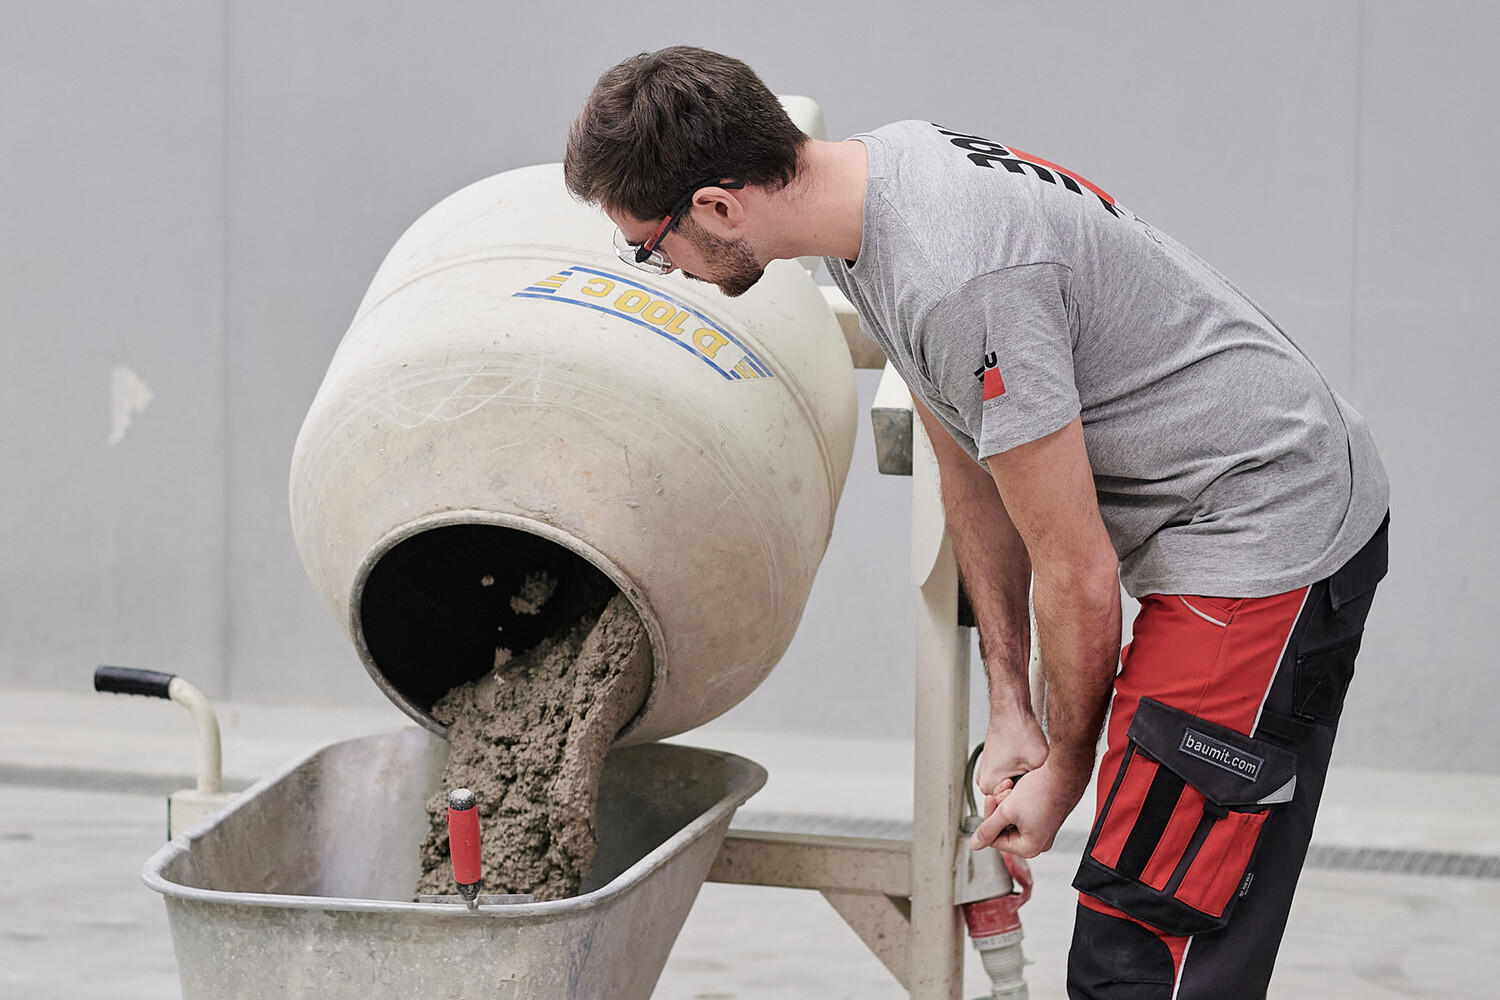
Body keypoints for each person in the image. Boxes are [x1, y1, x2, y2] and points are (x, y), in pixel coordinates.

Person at [564, 46, 1389, 1000]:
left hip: (1267, 520)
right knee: (1141, 932)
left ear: (715, 205)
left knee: (1147, 951)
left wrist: (1065, 771)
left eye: (648, 245)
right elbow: (969, 459)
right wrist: (1011, 707)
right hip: (1209, 515)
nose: (659, 266)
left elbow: (1076, 571)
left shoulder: (956, 273)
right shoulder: (870, 204)